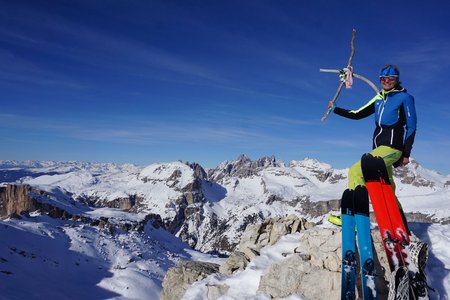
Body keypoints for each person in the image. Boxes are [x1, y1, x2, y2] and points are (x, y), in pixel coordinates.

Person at [328, 64, 417, 230]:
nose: (386, 81)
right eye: (383, 78)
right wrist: (335, 109)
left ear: (397, 80)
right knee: (388, 187)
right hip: (378, 149)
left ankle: (354, 219)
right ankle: (401, 226)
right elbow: (357, 114)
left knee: (356, 171)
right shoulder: (378, 98)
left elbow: (411, 127)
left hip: (392, 148)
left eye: (391, 78)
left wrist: (406, 154)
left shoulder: (405, 98)